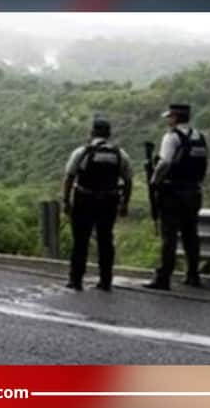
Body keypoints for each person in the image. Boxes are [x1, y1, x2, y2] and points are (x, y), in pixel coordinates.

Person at [63, 117, 133, 291]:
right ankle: (105, 280)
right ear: (108, 134)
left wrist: (66, 201)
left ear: (92, 132)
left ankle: (76, 280)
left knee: (81, 241)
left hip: (84, 200)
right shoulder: (120, 154)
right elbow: (128, 180)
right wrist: (124, 204)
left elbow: (70, 177)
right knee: (105, 240)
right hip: (109, 202)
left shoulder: (82, 152)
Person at [144, 104, 208, 290]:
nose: (167, 120)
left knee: (169, 236)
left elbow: (165, 163)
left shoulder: (171, 137)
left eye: (169, 117)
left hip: (173, 193)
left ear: (175, 118)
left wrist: (154, 182)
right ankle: (193, 275)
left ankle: (164, 278)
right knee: (191, 235)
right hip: (193, 192)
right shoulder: (199, 137)